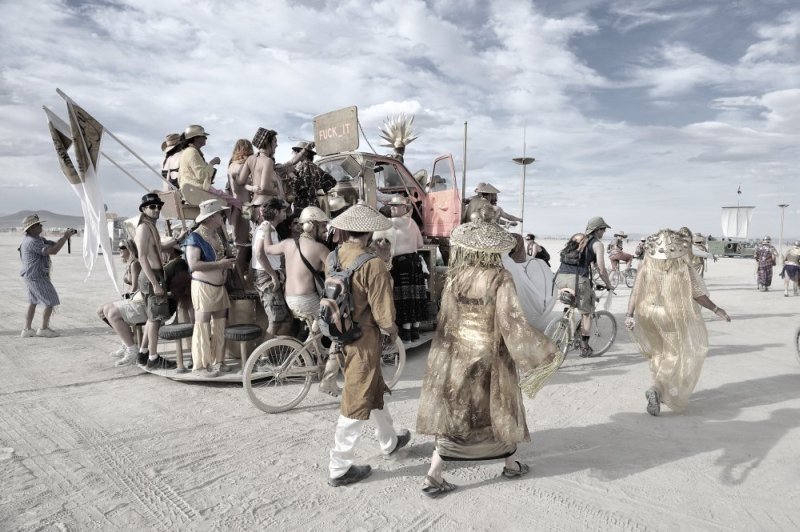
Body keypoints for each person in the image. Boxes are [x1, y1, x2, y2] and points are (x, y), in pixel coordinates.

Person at [416, 217, 560, 498]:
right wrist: (543, 350)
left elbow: (446, 319)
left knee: (458, 410)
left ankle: (434, 473)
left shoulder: (456, 275)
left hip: (458, 352)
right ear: (493, 251)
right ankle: (510, 463)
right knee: (498, 408)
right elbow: (511, 322)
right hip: (490, 352)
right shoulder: (499, 277)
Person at [326, 203, 409, 487]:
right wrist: (393, 332)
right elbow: (385, 316)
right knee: (356, 398)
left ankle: (390, 440)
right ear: (369, 231)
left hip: (341, 336)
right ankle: (339, 466)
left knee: (372, 389)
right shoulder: (372, 265)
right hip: (364, 341)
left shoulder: (333, 256)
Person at [625, 229, 731, 416]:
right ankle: (657, 389)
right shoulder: (682, 266)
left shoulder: (645, 264)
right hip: (670, 314)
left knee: (658, 352)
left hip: (647, 312)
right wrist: (716, 309)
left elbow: (635, 292)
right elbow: (697, 294)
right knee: (674, 354)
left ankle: (661, 389)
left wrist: (629, 314)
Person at [126, 192, 182, 369]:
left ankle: (144, 354)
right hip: (152, 276)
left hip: (156, 274)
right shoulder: (143, 228)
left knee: (152, 318)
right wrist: (156, 283)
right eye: (152, 206)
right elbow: (142, 257)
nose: (157, 209)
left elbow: (158, 247)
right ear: (144, 209)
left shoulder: (150, 226)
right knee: (156, 319)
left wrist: (178, 239)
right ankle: (153, 357)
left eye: (159, 206)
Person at [553, 216, 614, 357]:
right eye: (603, 230)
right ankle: (584, 347)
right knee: (587, 314)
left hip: (560, 278)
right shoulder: (597, 244)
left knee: (571, 304)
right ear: (598, 229)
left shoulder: (577, 238)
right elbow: (602, 269)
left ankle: (566, 326)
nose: (604, 233)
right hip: (579, 280)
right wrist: (608, 285)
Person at [19, 214, 77, 338]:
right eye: (38, 224)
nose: (41, 226)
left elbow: (53, 245)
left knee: (32, 301)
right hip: (36, 276)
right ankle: (43, 329)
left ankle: (27, 329)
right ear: (31, 228)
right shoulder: (32, 241)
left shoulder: (38, 239)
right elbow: (53, 250)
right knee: (50, 300)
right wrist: (65, 237)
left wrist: (65, 237)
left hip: (31, 275)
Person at [385, 195, 427, 342]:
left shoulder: (389, 223)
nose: (391, 208)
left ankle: (406, 333)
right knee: (416, 295)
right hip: (415, 262)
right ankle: (415, 331)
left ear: (404, 208)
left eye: (395, 206)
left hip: (401, 263)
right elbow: (420, 244)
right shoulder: (413, 223)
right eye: (391, 206)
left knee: (404, 296)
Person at [252, 199, 293, 340]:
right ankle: (264, 357)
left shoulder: (269, 228)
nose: (285, 213)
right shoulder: (266, 227)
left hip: (269, 274)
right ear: (276, 211)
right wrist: (273, 276)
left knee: (284, 319)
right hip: (266, 276)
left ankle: (276, 352)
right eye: (283, 210)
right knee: (275, 320)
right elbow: (259, 253)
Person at [98, 239, 143, 359]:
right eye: (119, 247)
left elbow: (135, 287)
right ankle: (126, 338)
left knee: (110, 312)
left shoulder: (135, 264)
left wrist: (125, 300)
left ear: (130, 249)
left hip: (135, 298)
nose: (119, 250)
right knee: (101, 311)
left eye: (122, 247)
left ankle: (129, 345)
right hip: (130, 296)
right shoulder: (130, 263)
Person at [502, 234, 555, 329]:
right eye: (526, 239)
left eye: (528, 239)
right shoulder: (517, 257)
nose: (527, 240)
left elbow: (532, 256)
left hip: (534, 265)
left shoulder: (534, 246)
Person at [227, 139, 255, 275]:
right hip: (245, 206)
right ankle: (238, 278)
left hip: (236, 204)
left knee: (239, 243)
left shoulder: (231, 165)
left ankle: (238, 276)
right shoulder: (242, 167)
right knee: (242, 244)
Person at [283, 141, 336, 210]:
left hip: (303, 206)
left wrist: (291, 175)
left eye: (297, 152)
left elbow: (302, 186)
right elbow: (332, 181)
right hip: (314, 204)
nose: (295, 154)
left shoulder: (304, 165)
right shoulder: (316, 167)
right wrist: (318, 189)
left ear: (304, 153)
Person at [240, 128, 285, 208]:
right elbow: (264, 188)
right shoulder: (268, 161)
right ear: (268, 143)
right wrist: (277, 192)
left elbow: (240, 181)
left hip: (254, 205)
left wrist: (252, 188)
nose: (277, 145)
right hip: (267, 207)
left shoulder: (250, 159)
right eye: (275, 141)